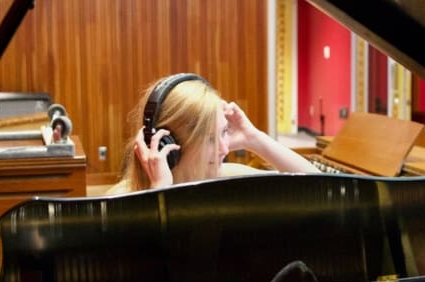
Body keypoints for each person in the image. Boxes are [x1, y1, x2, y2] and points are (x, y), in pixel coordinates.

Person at [108, 73, 318, 193]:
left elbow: (318, 188)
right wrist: (160, 191)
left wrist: (253, 138)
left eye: (224, 131)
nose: (224, 149)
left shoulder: (225, 176)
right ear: (168, 143)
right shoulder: (121, 198)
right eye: (210, 139)